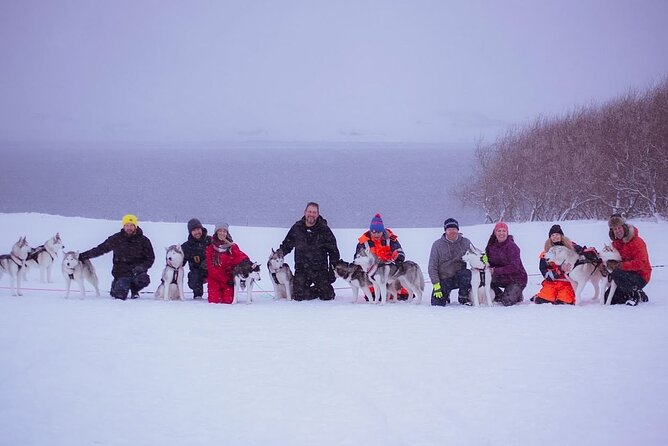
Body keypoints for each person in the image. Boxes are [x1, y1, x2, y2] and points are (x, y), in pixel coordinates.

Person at [79, 213, 155, 300]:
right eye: (127, 225)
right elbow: (100, 249)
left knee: (144, 279)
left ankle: (135, 290)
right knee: (120, 296)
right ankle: (115, 286)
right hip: (121, 273)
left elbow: (150, 258)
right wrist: (82, 256)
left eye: (131, 225)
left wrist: (141, 268)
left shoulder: (144, 240)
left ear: (135, 226)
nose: (129, 228)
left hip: (137, 273)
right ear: (123, 226)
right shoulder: (116, 239)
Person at [279, 202, 340, 301]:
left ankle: (320, 289)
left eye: (314, 212)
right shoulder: (297, 228)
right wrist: (278, 254)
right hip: (302, 270)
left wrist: (332, 270)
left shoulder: (324, 229)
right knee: (298, 296)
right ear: (305, 212)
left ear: (318, 214)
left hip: (320, 270)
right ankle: (312, 290)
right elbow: (287, 245)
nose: (311, 214)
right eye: (309, 211)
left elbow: (333, 251)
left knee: (327, 295)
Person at [355, 213, 408, 300]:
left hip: (388, 269)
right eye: (373, 232)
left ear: (382, 231)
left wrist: (399, 257)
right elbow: (358, 257)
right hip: (372, 271)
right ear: (370, 231)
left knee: (401, 287)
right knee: (373, 292)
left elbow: (397, 250)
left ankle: (397, 292)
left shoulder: (390, 239)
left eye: (378, 232)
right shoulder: (364, 242)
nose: (376, 235)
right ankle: (376, 294)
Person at [605, 214, 651, 306]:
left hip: (641, 276)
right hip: (624, 275)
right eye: (615, 229)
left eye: (619, 228)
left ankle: (634, 295)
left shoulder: (637, 242)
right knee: (609, 298)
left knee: (617, 273)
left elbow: (641, 263)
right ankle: (640, 293)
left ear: (624, 227)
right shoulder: (615, 244)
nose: (617, 231)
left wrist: (621, 266)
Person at [428, 218, 473, 306]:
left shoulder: (466, 242)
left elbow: (476, 255)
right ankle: (446, 294)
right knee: (436, 304)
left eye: (454, 229)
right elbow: (432, 267)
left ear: (458, 230)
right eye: (449, 229)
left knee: (467, 273)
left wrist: (483, 258)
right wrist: (436, 285)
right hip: (444, 279)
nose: (452, 231)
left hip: (460, 277)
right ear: (445, 231)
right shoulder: (437, 245)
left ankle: (463, 296)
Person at [533, 224, 578, 305]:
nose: (555, 237)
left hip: (567, 283)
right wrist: (560, 270)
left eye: (557, 234)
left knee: (565, 300)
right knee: (544, 299)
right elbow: (546, 274)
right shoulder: (545, 254)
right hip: (552, 283)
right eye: (552, 235)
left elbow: (580, 255)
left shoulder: (571, 247)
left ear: (562, 236)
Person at [205, 222, 249, 304]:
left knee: (228, 300)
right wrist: (224, 280)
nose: (222, 233)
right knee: (215, 301)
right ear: (216, 232)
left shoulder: (232, 247)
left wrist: (247, 262)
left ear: (227, 233)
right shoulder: (210, 249)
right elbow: (211, 269)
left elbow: (240, 256)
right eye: (220, 231)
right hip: (215, 279)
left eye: (224, 231)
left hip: (229, 279)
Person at [485, 222, 527, 306]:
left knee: (507, 302)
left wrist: (496, 270)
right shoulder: (491, 247)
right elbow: (488, 262)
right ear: (495, 232)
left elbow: (514, 267)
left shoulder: (512, 247)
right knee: (485, 282)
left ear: (507, 233)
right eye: (499, 231)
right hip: (501, 277)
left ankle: (516, 294)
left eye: (504, 231)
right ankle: (503, 294)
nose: (501, 233)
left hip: (517, 279)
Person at [181, 218, 212, 299]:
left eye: (198, 229)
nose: (197, 232)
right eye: (194, 230)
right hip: (197, 273)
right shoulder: (186, 246)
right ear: (190, 232)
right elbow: (180, 263)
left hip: (213, 270)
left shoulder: (211, 240)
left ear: (201, 229)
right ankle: (197, 295)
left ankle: (216, 294)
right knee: (194, 277)